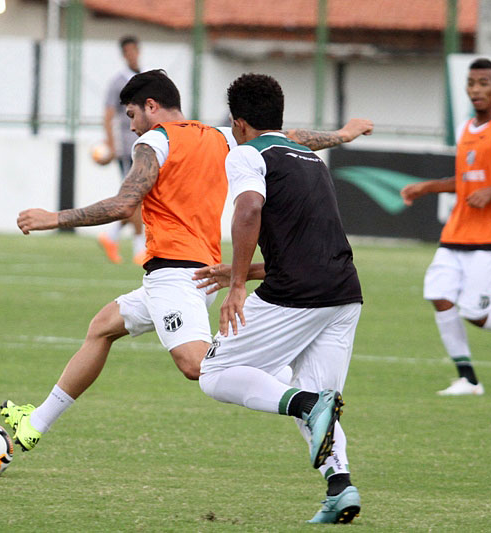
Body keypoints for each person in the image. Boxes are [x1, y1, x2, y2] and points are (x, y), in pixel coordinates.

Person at [0, 69, 373, 456]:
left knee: (199, 366)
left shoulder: (153, 142)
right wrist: (342, 135)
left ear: (151, 106)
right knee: (103, 327)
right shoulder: (220, 136)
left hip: (173, 276)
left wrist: (55, 218)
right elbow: (289, 138)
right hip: (197, 274)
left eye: (131, 115)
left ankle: (301, 398)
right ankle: (35, 424)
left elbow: (125, 203)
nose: (131, 127)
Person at [194, 73, 368, 525]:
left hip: (297, 296)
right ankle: (340, 488)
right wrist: (238, 271)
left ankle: (310, 408)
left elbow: (248, 208)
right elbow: (302, 249)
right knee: (312, 397)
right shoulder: (310, 158)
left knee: (214, 374)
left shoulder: (247, 154)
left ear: (239, 123)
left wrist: (236, 286)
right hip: (344, 293)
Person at [400, 58, 491, 396]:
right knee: (438, 296)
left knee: (476, 313)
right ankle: (468, 378)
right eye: (471, 83)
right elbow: (467, 182)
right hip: (456, 233)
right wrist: (427, 187)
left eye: (484, 83)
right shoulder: (464, 129)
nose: (476, 89)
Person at [97, 35, 145, 265]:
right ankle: (139, 248)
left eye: (134, 50)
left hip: (146, 144)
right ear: (123, 55)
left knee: (139, 197)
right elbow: (108, 114)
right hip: (128, 146)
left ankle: (111, 236)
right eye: (127, 52)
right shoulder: (119, 81)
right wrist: (110, 144)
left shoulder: (144, 78)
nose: (132, 55)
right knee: (135, 196)